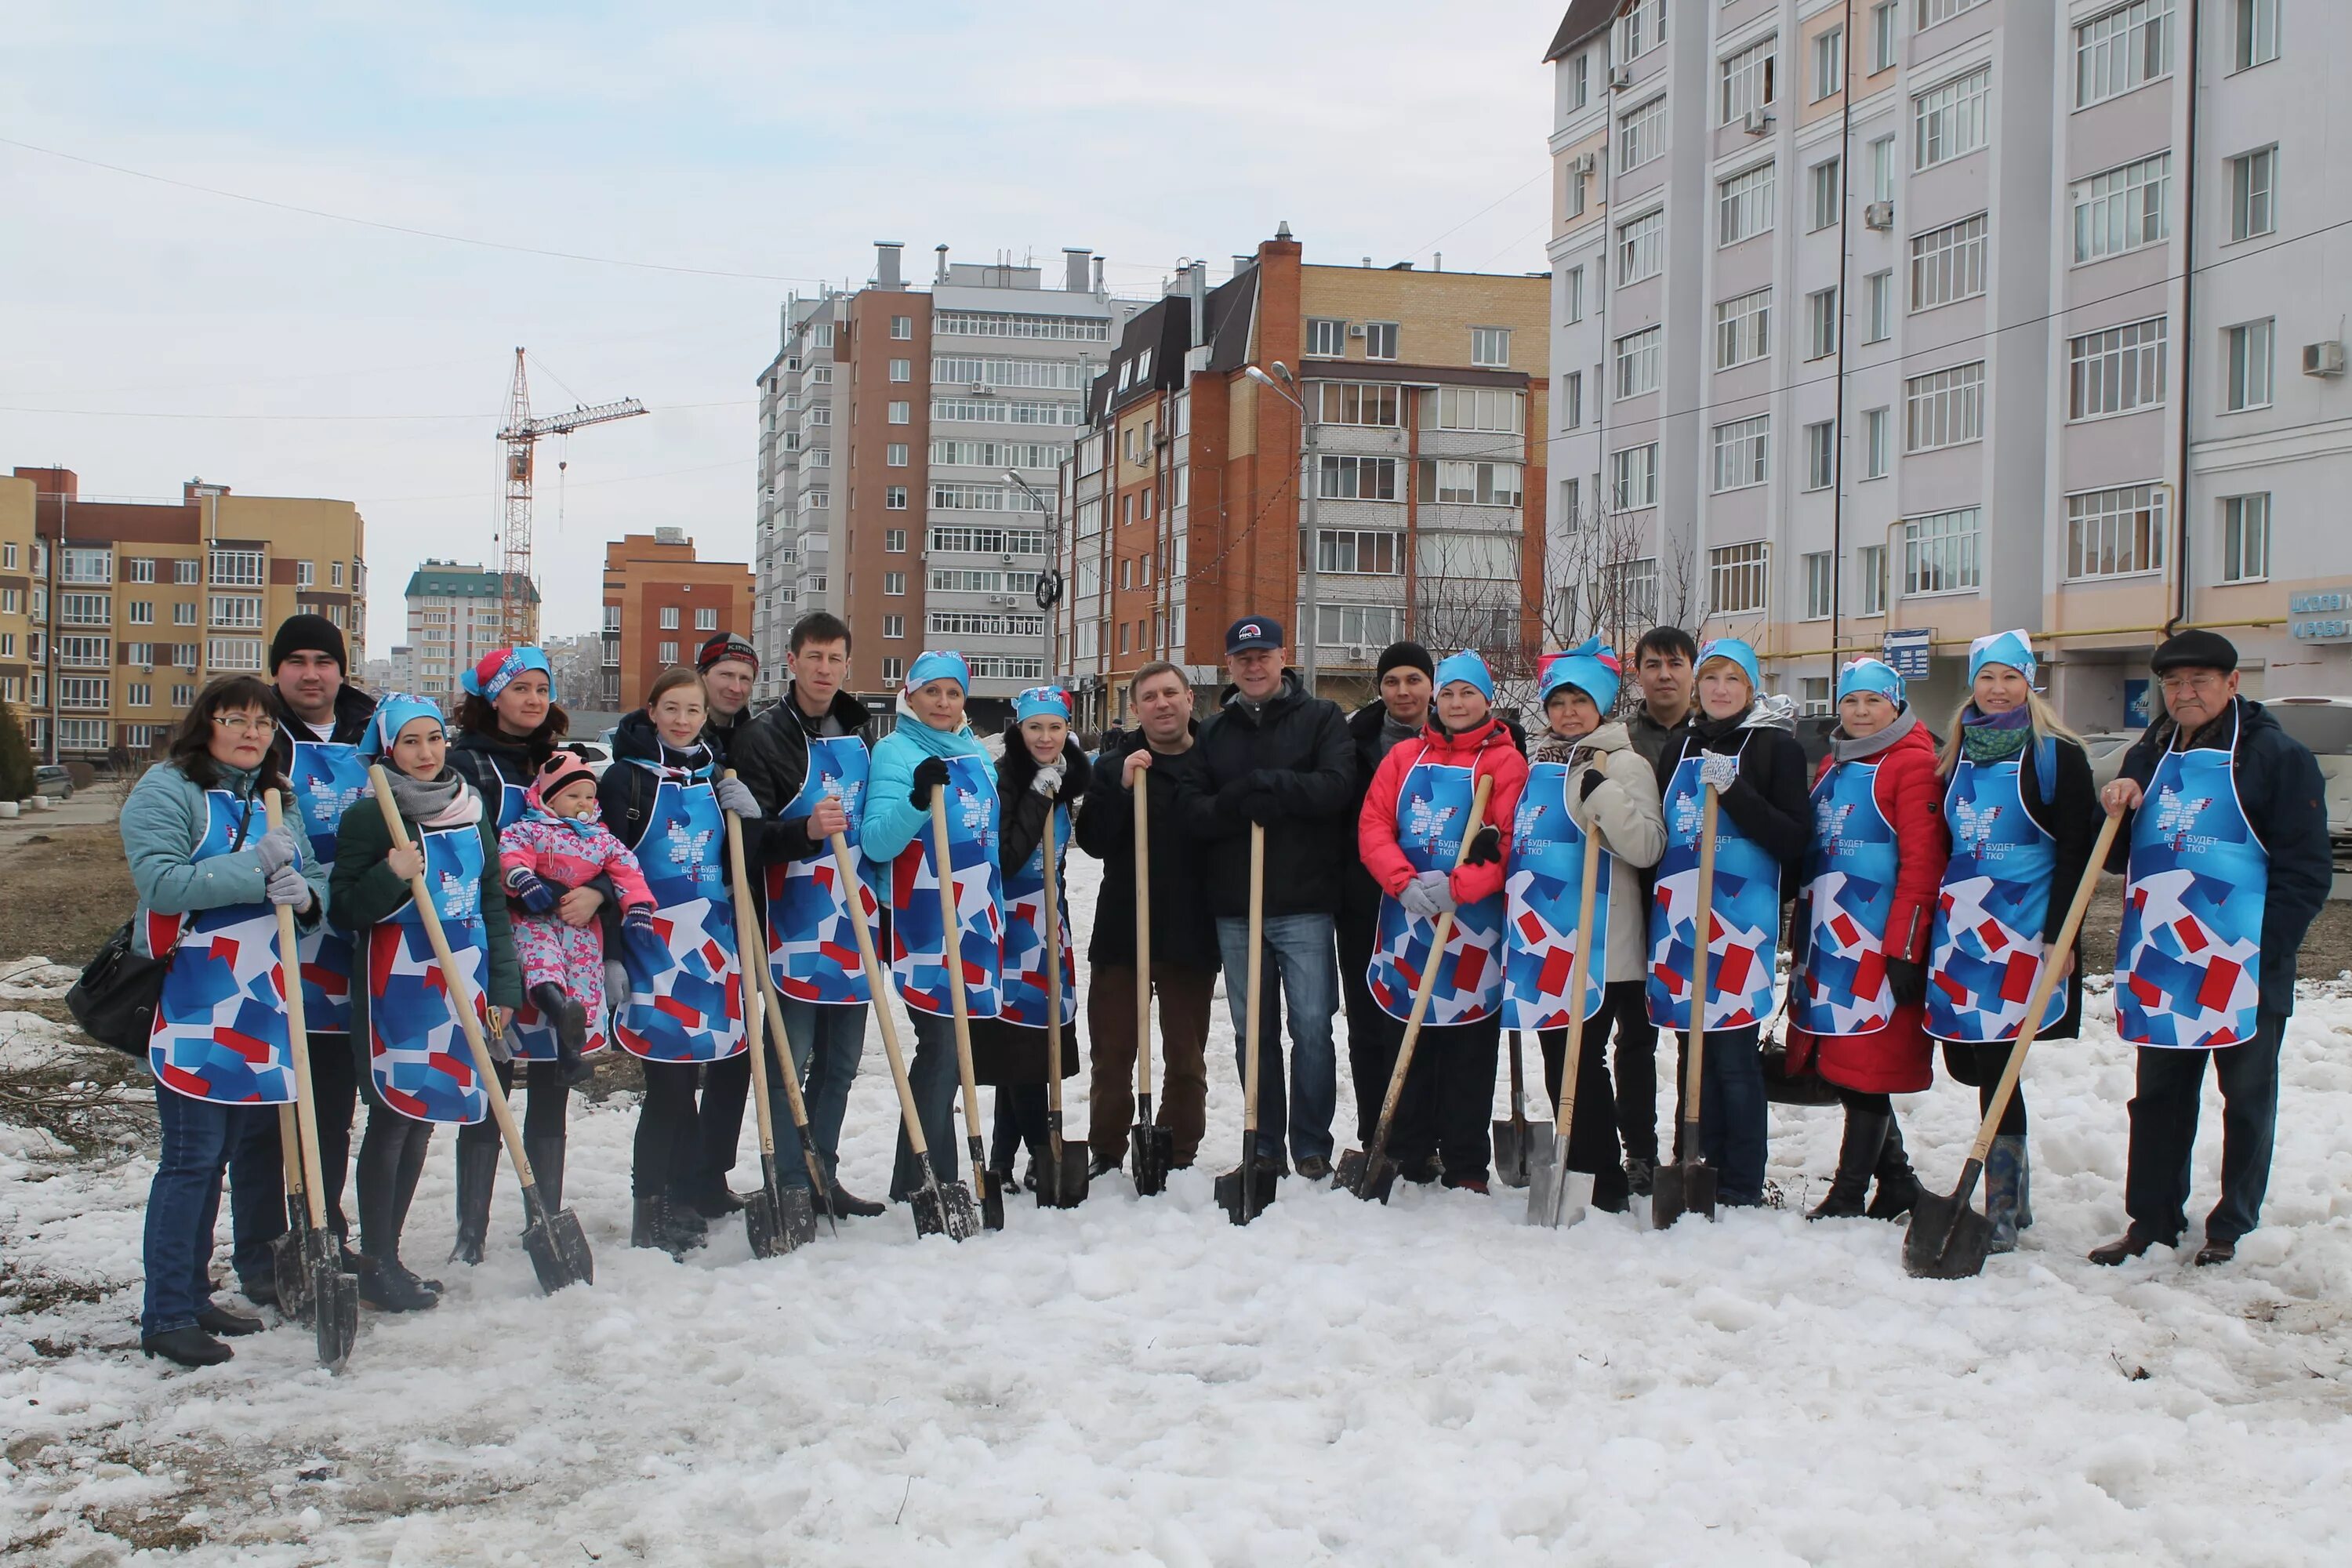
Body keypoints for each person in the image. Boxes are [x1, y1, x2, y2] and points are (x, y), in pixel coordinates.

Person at [2089, 631, 2332, 1267]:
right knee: (2158, 1099)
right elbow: (2115, 858)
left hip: (2241, 964)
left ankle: (2231, 1225)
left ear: (2232, 684)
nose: (2184, 693)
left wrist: (2256, 951)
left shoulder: (2278, 757)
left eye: (2198, 681)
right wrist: (2112, 808)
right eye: (2172, 684)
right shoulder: (2148, 754)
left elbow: (2307, 874)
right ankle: (2152, 1219)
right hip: (2166, 960)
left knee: (2247, 1098)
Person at [123, 675, 329, 1365]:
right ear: (206, 723)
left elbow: (312, 883)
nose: (251, 733)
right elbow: (162, 882)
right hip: (195, 1004)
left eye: (263, 723)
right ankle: (165, 1314)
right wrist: (252, 868)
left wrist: (306, 899)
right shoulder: (166, 789)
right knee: (190, 1160)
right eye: (235, 719)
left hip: (262, 1002)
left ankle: (193, 1292)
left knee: (229, 1158)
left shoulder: (277, 797)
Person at [330, 695, 521, 1310]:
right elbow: (345, 911)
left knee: (424, 1118)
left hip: (461, 986)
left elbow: (491, 902)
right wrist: (391, 873)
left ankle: (392, 1255)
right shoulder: (372, 817)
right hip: (400, 990)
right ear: (388, 748)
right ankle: (377, 1259)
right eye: (410, 741)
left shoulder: (470, 808)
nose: (425, 753)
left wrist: (503, 988)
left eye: (434, 739)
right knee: (394, 1116)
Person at [1925, 630, 2098, 1253]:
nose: (1998, 691)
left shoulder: (2057, 756)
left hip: (2020, 936)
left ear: (2030, 684)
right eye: (1986, 678)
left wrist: (2062, 936)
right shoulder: (1955, 754)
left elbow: (2079, 853)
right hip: (1960, 935)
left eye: (2010, 678)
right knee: (1965, 1060)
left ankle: (2003, 1204)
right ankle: (2012, 1197)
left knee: (1999, 1070)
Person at [1171, 616, 1354, 1184]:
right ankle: (1264, 1140)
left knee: (1312, 1028)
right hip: (1238, 906)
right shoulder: (1214, 733)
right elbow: (1191, 808)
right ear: (1229, 665)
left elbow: (1338, 787)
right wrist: (1234, 805)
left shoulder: (1321, 718)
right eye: (1243, 658)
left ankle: (1310, 1142)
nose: (1254, 666)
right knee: (1254, 1033)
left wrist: (1276, 788)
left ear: (1283, 658)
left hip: (1303, 901)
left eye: (1263, 655)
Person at [715, 610, 887, 1218]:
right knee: (792, 1059)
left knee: (840, 1066)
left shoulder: (858, 732)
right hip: (794, 926)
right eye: (813, 657)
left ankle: (824, 1175)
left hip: (855, 922)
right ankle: (788, 1179)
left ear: (847, 665)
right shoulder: (762, 737)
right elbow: (747, 839)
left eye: (835, 658)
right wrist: (806, 831)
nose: (824, 669)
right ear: (792, 662)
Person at [1646, 638, 1809, 1207]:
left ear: (1750, 688)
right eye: (1711, 679)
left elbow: (1794, 837)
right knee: (1692, 1051)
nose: (1719, 690)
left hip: (1740, 922)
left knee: (1735, 1058)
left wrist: (1735, 791)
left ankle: (1739, 1182)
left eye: (1732, 681)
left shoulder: (1774, 750)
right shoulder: (1678, 746)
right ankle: (1697, 1161)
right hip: (1680, 920)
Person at [443, 644, 593, 1263]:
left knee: (556, 1075)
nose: (533, 700)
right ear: (492, 697)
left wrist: (597, 891)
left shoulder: (565, 762)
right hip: (494, 942)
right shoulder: (463, 765)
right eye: (519, 689)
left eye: (541, 688)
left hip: (562, 938)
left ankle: (545, 1213)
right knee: (492, 1080)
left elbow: (602, 839)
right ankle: (470, 1232)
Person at [1356, 649, 1527, 1192]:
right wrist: (1403, 881)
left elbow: (1506, 846)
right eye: (1448, 693)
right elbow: (1374, 826)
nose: (1456, 703)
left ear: (1487, 699)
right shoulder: (1404, 757)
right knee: (1409, 1035)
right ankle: (1406, 1152)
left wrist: (1456, 888)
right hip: (1406, 923)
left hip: (1472, 928)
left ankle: (1465, 1162)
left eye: (1467, 693)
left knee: (1467, 1050)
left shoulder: (1505, 762)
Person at [1504, 640, 1664, 1214]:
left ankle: (1605, 1178)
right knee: (1557, 1054)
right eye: (1558, 702)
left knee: (1586, 1059)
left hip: (1605, 942)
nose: (1568, 712)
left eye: (1580, 701)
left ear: (1600, 705)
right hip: (1550, 938)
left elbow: (1647, 846)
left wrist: (1606, 799)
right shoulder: (1541, 764)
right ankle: (1582, 1164)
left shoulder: (1624, 764)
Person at [598, 668, 750, 1254]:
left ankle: (682, 1197)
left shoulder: (715, 778)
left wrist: (749, 816)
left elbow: (738, 866)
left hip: (710, 952)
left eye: (694, 711)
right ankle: (648, 1210)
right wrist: (611, 954)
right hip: (653, 954)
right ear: (653, 712)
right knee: (667, 1086)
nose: (684, 720)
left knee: (696, 1074)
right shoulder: (624, 780)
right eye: (673, 709)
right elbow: (605, 867)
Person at [1790, 659, 1947, 1221]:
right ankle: (1897, 1182)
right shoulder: (1834, 763)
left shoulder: (1913, 766)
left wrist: (1906, 949)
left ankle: (1850, 1191)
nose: (1860, 712)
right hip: (1830, 943)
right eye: (1851, 702)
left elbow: (1923, 864)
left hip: (1876, 945)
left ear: (1897, 705)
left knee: (1866, 1063)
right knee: (1848, 1065)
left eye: (1873, 702)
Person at [256, 612, 375, 1291]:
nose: (310, 673)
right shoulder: (258, 736)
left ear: (341, 669)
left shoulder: (372, 738)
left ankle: (326, 1231)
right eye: (296, 660)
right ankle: (268, 1241)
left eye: (323, 661)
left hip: (355, 949)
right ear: (279, 671)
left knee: (333, 1102)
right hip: (274, 950)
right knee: (269, 1107)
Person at [860, 650, 1005, 1203]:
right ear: (910, 694)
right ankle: (934, 1176)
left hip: (972, 922)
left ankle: (916, 1175)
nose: (943, 703)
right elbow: (877, 842)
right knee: (942, 1048)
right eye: (932, 692)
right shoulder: (896, 751)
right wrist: (919, 798)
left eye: (953, 693)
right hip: (922, 926)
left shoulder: (974, 751)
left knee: (955, 1052)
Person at [1073, 660, 1219, 1178]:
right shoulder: (1114, 764)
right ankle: (1107, 1150)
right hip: (1122, 929)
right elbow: (1091, 841)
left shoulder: (1214, 760)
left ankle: (1177, 1150)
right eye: (1150, 697)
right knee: (1112, 1053)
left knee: (1185, 1055)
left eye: (1170, 694)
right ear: (1135, 708)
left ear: (1189, 700)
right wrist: (1122, 789)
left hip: (1190, 929)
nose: (1161, 704)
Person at [972, 687, 1087, 1192]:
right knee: (1019, 1045)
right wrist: (1039, 795)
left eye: (1055, 727)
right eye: (1034, 726)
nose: (1045, 737)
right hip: (1011, 929)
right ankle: (1042, 1151)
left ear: (1067, 731)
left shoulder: (1067, 777)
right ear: (1018, 729)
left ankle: (1003, 1159)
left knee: (1040, 1046)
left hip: (1049, 925)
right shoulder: (1005, 782)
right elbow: (1007, 859)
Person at [497, 751, 655, 1085]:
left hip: (580, 925)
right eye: (572, 796)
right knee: (543, 961)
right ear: (550, 797)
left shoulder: (601, 837)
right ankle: (555, 1005)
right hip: (535, 921)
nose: (583, 803)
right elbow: (510, 854)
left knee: (583, 975)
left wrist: (638, 907)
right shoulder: (529, 829)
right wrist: (523, 878)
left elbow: (627, 871)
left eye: (588, 796)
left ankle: (570, 1052)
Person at [1337, 641, 1434, 1153]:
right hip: (1364, 905)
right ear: (1380, 687)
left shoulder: (1456, 739)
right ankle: (1377, 1131)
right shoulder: (1354, 742)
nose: (1403, 691)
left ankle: (1424, 1136)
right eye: (1392, 681)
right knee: (1370, 1020)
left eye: (1414, 680)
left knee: (1431, 1020)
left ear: (1430, 686)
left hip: (1441, 904)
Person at [1615, 625, 1698, 1189]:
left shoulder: (1717, 732)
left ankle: (1692, 1146)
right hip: (1634, 900)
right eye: (1653, 664)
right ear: (1637, 672)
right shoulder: (1620, 740)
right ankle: (1638, 1152)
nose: (1664, 674)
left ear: (1692, 669)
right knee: (1636, 1035)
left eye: (1675, 663)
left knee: (1697, 1033)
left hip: (1701, 903)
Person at [696, 631, 763, 761]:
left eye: (745, 679)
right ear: (702, 677)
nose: (736, 688)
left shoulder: (760, 744)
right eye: (726, 675)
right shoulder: (674, 736)